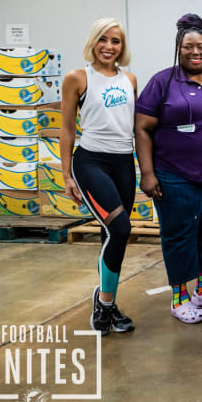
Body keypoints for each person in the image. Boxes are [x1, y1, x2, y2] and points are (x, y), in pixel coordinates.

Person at [136, 14, 202, 323]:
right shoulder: (163, 81)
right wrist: (147, 173)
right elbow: (142, 128)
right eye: (188, 47)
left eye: (201, 47)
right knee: (178, 233)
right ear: (178, 49)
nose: (195, 52)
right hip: (174, 174)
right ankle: (179, 296)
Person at [62, 18, 138, 336]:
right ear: (93, 42)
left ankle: (107, 301)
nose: (109, 46)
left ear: (123, 47)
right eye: (103, 39)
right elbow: (66, 129)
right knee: (120, 228)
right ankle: (105, 305)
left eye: (116, 41)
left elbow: (135, 127)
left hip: (123, 163)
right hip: (91, 162)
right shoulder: (78, 78)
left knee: (114, 235)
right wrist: (66, 174)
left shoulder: (130, 79)